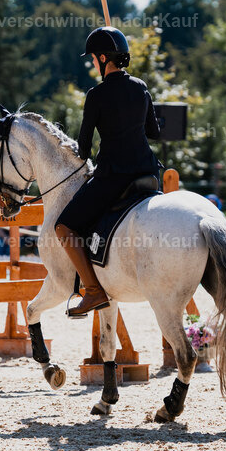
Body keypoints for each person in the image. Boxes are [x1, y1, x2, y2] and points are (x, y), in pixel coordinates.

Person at [55, 26, 160, 317]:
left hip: (114, 176)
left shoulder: (96, 94)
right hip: (149, 173)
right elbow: (155, 132)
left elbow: (85, 148)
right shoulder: (140, 87)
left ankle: (92, 291)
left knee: (63, 227)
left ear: (103, 58)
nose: (92, 63)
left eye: (93, 59)